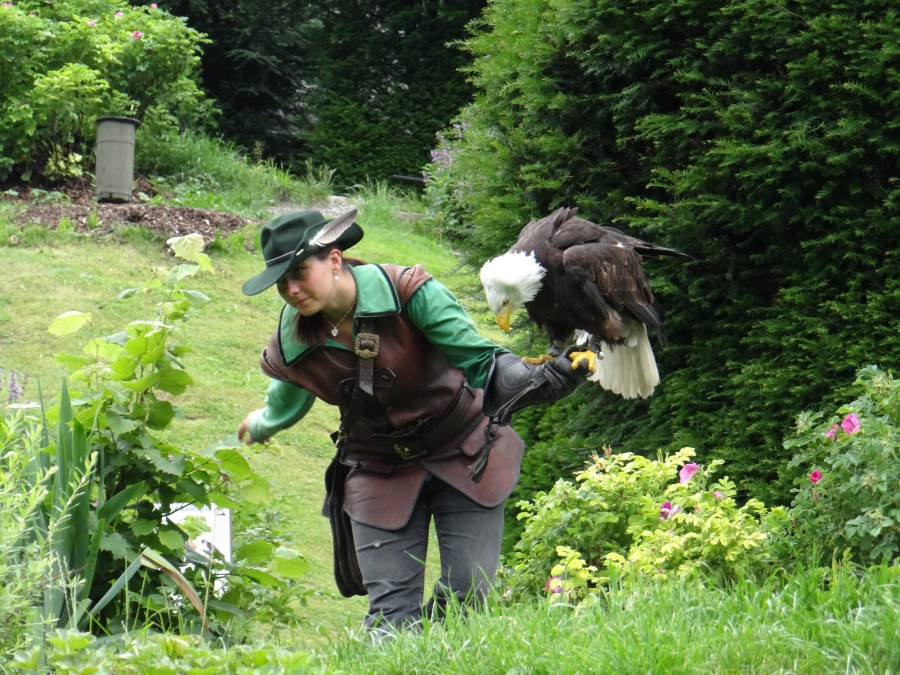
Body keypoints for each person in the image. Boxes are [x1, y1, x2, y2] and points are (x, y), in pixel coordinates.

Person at [237, 208, 587, 636]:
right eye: (281, 281)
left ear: (333, 259)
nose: (291, 289)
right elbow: (286, 401)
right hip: (376, 467)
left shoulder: (408, 291)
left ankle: (433, 655)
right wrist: (261, 425)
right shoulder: (293, 341)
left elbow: (478, 358)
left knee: (469, 592)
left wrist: (529, 378)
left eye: (299, 271)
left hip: (464, 449)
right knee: (390, 616)